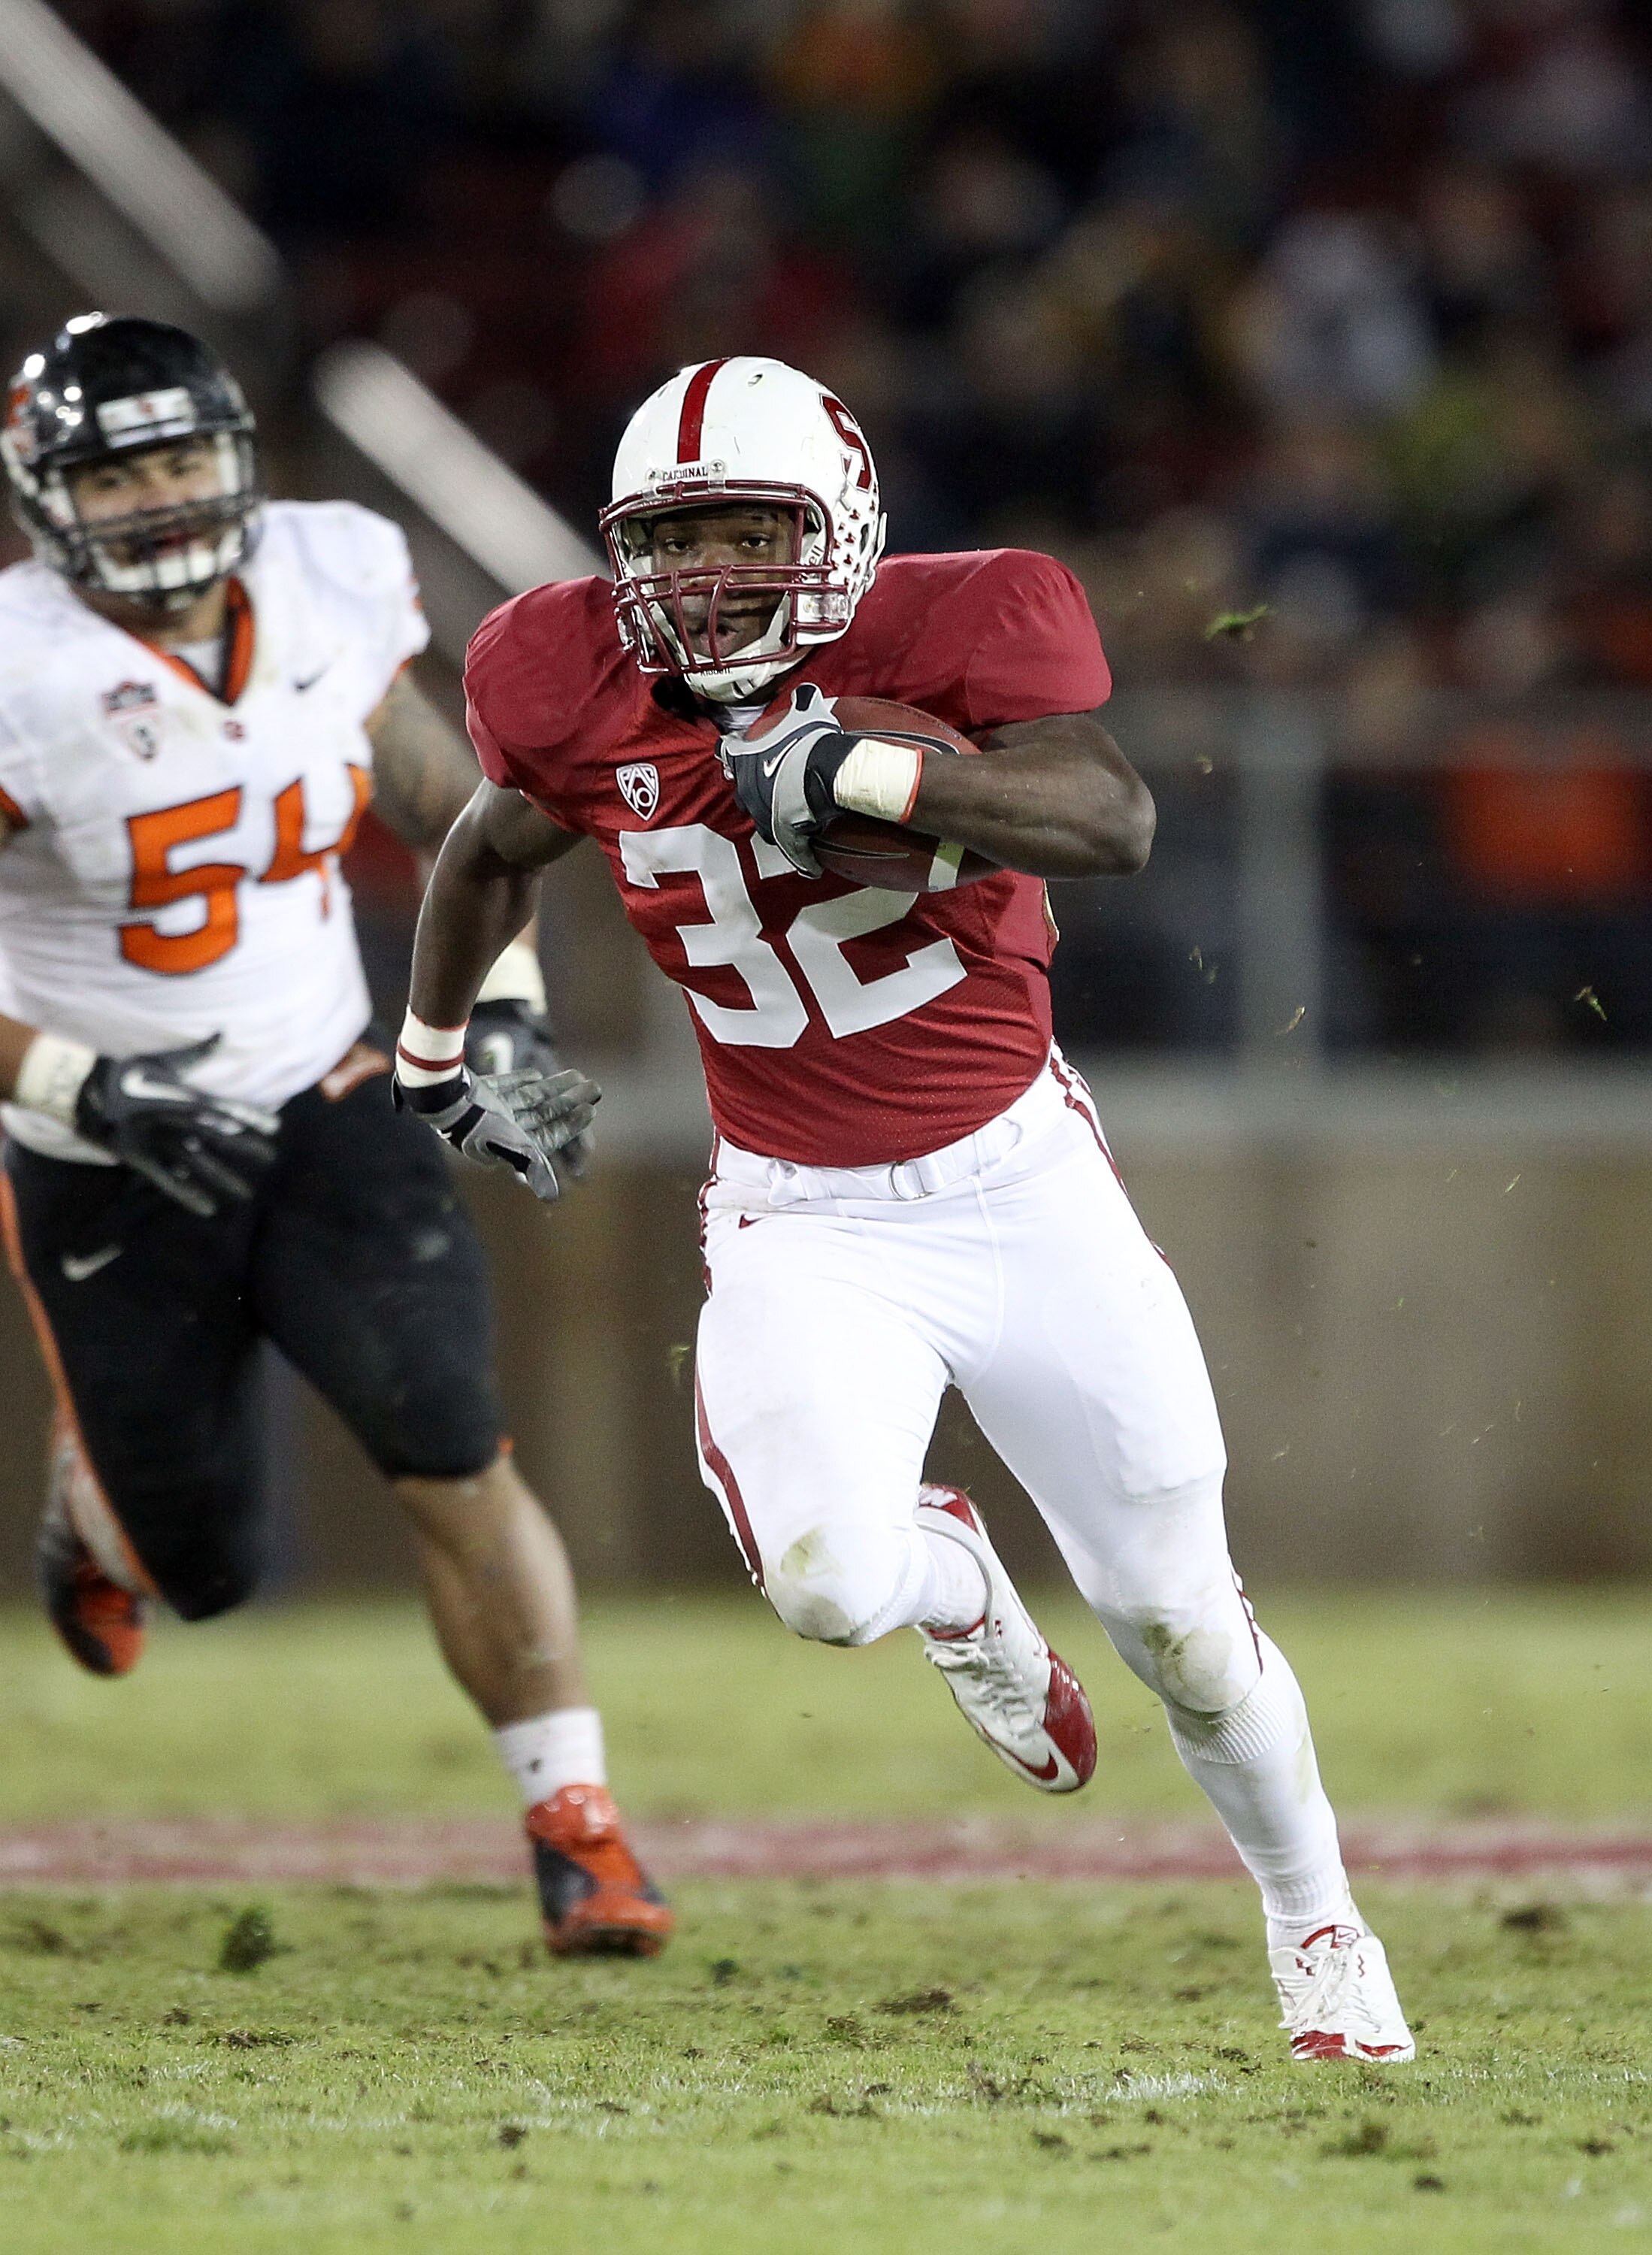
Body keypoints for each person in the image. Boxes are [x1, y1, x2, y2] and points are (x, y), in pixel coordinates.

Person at [399, 353, 1414, 2061]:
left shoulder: (956, 631)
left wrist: (879, 780)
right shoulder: (565, 674)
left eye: (748, 532)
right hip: (803, 1215)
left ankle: (1315, 1917)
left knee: (1182, 1623)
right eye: (674, 540)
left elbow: (1112, 816)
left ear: (846, 525)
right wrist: (447, 1041)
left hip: (1022, 1188)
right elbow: (494, 840)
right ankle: (953, 1579)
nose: (710, 578)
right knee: (826, 1584)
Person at [0, 313, 670, 1960]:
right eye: (119, 472)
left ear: (233, 460)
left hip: (325, 1090)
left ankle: (577, 1826)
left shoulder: (327, 572)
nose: (159, 501)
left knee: (450, 1439)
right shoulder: (17, 672)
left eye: (178, 460)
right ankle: (104, 1503)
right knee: (203, 1562)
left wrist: (495, 1009)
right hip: (108, 1142)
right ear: (44, 498)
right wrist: (80, 1085)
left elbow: (453, 807)